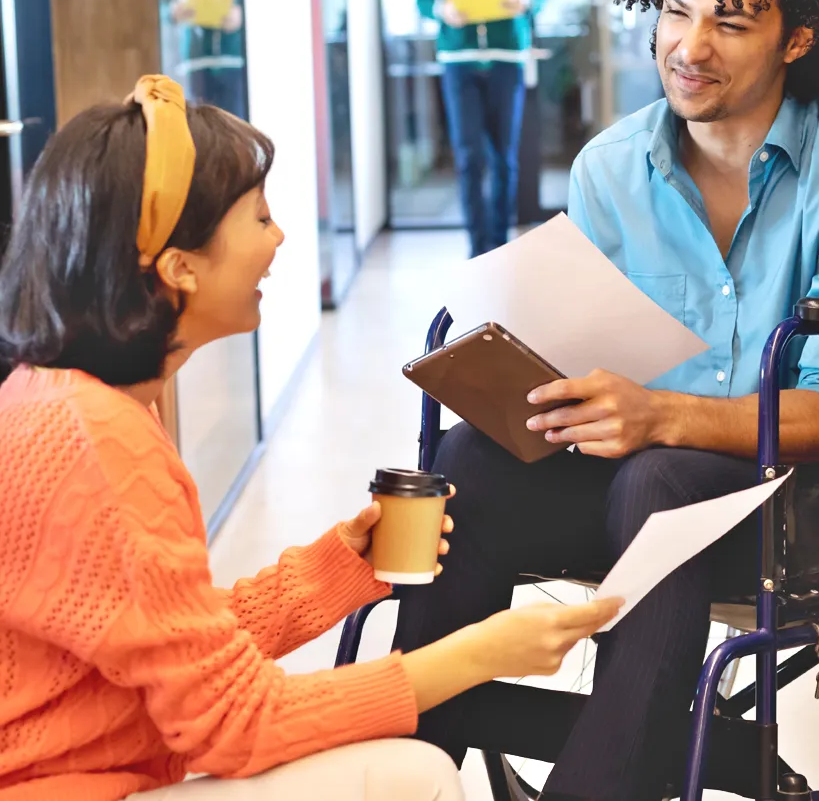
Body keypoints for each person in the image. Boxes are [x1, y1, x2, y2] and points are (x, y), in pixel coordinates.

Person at [394, 0, 819, 801]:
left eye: (730, 23)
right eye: (676, 13)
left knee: (662, 477)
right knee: (471, 461)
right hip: (642, 484)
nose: (689, 49)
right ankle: (408, 766)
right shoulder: (611, 168)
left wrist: (657, 416)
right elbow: (584, 354)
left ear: (798, 38)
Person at [0, 75, 621, 800]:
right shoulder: (105, 446)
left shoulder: (60, 399)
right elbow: (235, 723)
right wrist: (476, 655)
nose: (281, 237)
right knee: (416, 773)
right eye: (259, 218)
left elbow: (174, 640)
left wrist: (335, 568)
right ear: (179, 268)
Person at [418, 0, 546, 257]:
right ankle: (477, 249)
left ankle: (499, 246)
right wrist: (440, 8)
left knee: (505, 157)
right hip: (458, 59)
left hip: (507, 57)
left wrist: (522, 2)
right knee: (469, 155)